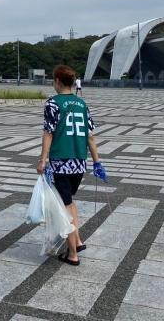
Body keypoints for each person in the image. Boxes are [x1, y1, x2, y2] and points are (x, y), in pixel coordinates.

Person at [37, 64, 105, 266]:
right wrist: (97, 162)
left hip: (61, 162)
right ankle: (79, 240)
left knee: (65, 206)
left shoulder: (53, 104)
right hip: (79, 163)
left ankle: (73, 253)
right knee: (69, 201)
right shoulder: (81, 104)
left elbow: (48, 133)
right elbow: (90, 137)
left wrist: (43, 160)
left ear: (57, 81)